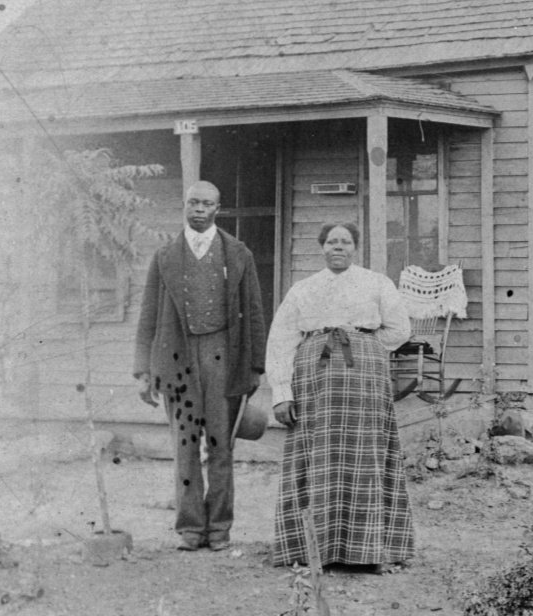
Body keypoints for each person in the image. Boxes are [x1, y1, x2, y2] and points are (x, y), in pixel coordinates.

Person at [266, 222, 413, 571]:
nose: (338, 247)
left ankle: (370, 551)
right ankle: (310, 550)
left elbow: (399, 329)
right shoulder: (303, 289)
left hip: (364, 380)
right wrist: (282, 393)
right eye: (331, 241)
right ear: (322, 248)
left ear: (355, 248)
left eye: (345, 242)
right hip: (315, 381)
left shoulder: (377, 283)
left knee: (366, 457)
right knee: (316, 456)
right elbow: (281, 340)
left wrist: (366, 347)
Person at [134, 181, 267, 551]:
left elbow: (255, 312)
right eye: (192, 202)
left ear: (217, 209)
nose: (198, 209)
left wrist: (255, 366)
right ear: (184, 205)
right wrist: (143, 369)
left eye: (206, 204)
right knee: (185, 445)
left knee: (221, 445)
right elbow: (147, 316)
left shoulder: (238, 254)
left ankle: (220, 528)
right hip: (176, 357)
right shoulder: (164, 257)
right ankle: (190, 528)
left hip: (222, 356)